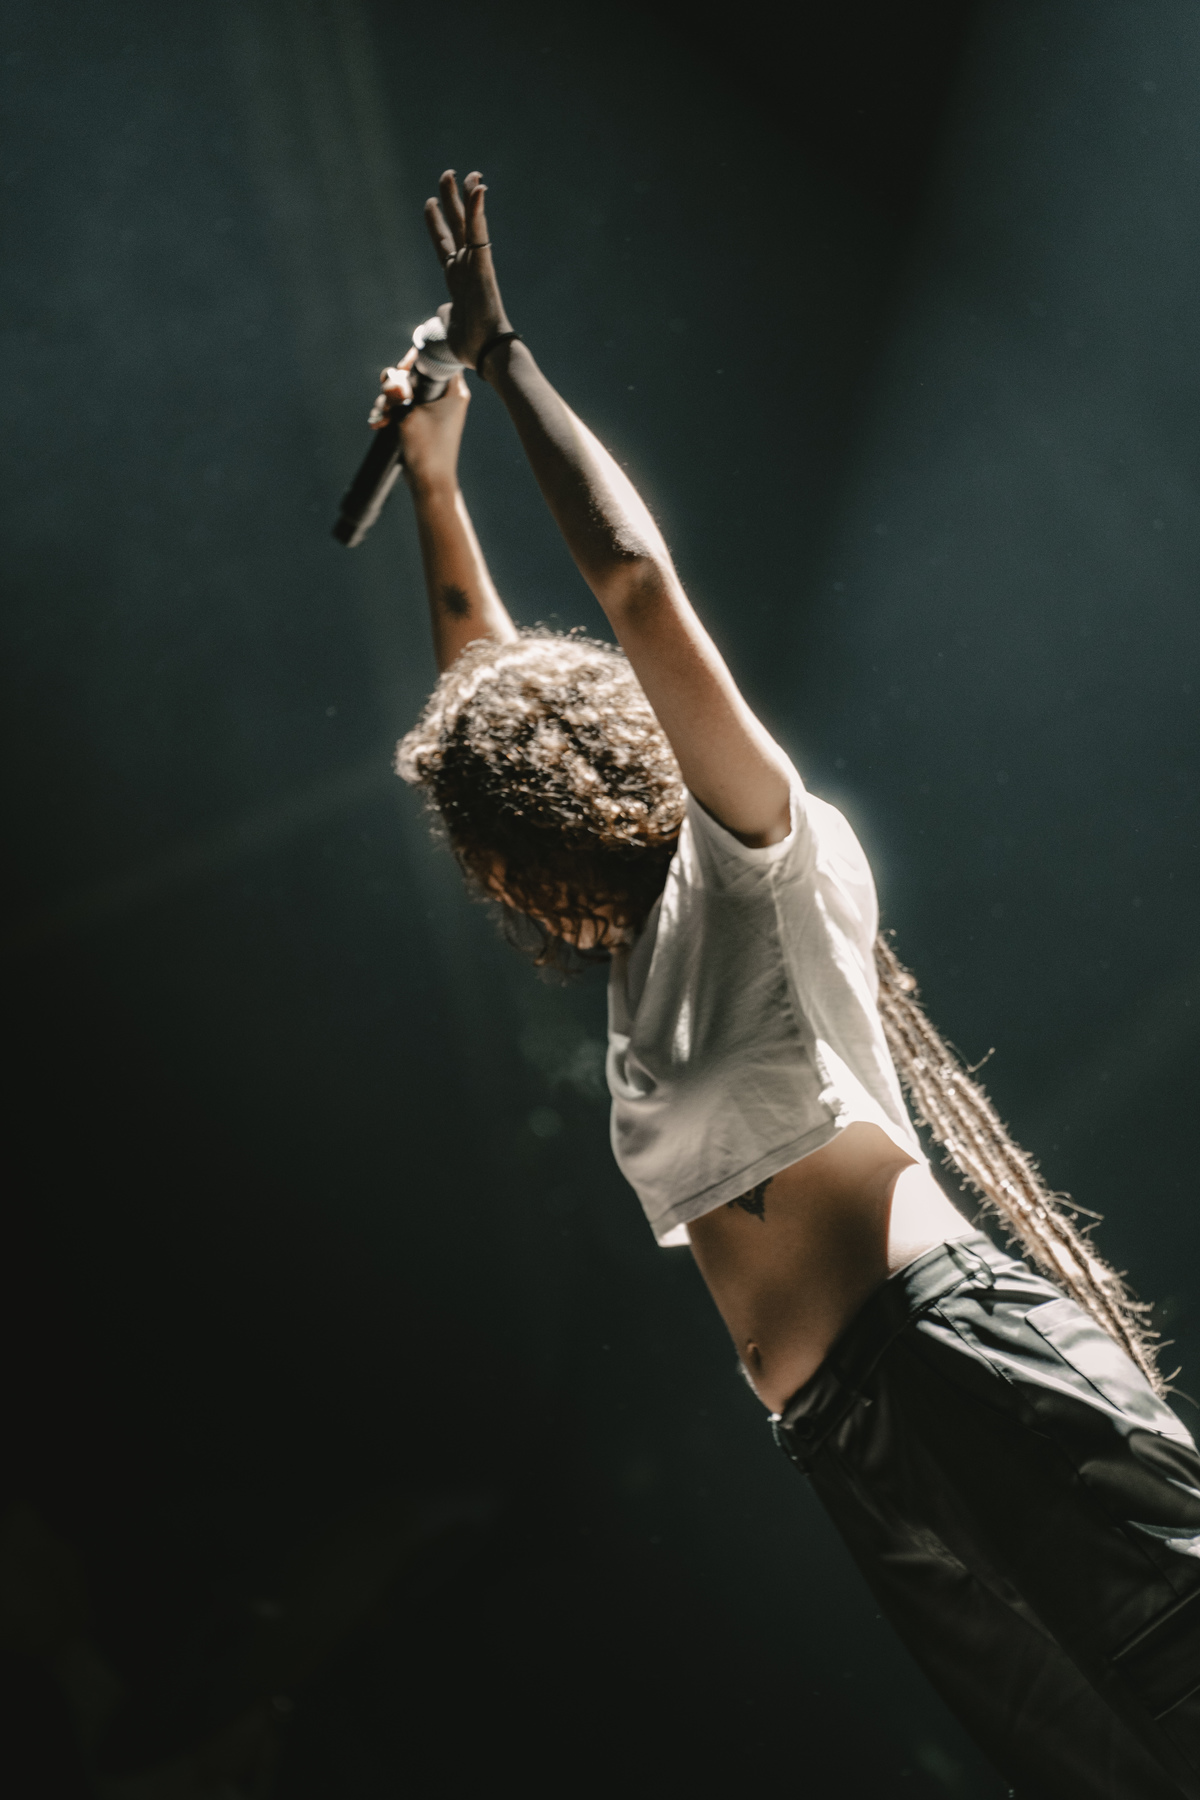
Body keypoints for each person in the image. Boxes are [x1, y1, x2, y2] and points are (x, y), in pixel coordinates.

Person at [378, 169, 1200, 1799]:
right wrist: (434, 485)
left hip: (956, 1360)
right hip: (853, 1449)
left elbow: (632, 586)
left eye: (508, 843)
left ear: (572, 796)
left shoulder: (749, 854)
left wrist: (506, 355)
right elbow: (485, 695)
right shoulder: (644, 982)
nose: (508, 883)